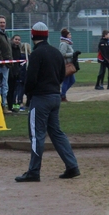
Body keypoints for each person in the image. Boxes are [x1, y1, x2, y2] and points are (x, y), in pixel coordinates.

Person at [14, 22, 79, 183]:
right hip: (55, 96)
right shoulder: (56, 52)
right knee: (56, 132)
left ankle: (33, 171)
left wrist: (28, 94)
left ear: (33, 35)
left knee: (37, 135)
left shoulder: (36, 54)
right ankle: (72, 165)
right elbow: (62, 74)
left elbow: (31, 79)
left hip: (40, 98)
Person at [59, 29, 75, 102]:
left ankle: (62, 94)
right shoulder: (64, 44)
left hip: (69, 64)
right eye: (69, 34)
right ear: (66, 35)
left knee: (72, 80)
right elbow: (62, 54)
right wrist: (72, 54)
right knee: (66, 80)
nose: (70, 36)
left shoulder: (68, 43)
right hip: (66, 65)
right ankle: (62, 96)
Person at [9, 34, 24, 109]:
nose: (17, 41)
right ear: (12, 39)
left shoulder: (18, 49)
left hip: (16, 71)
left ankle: (12, 104)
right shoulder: (9, 48)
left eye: (19, 40)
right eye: (16, 39)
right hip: (10, 70)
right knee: (10, 89)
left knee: (14, 89)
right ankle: (10, 104)